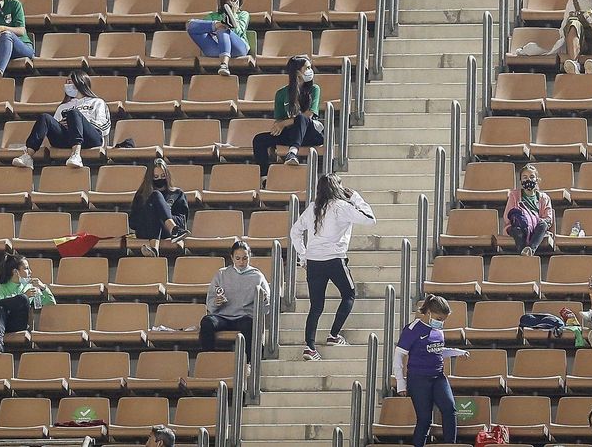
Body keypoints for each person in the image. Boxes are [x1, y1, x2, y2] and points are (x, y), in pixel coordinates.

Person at [290, 174, 375, 360]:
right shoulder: (341, 206)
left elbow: (295, 231)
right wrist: (356, 197)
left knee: (316, 306)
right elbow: (370, 219)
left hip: (314, 261)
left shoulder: (313, 207)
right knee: (349, 294)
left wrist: (303, 256)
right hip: (335, 259)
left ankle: (309, 347)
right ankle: (334, 335)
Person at [392, 294, 467, 447]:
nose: (441, 322)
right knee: (425, 419)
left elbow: (436, 351)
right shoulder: (412, 329)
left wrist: (456, 352)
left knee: (449, 409)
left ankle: (450, 445)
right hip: (418, 379)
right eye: (439, 319)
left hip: (438, 376)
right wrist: (400, 383)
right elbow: (399, 356)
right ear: (428, 312)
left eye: (443, 320)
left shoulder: (438, 330)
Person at [12, 70, 108, 171]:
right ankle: (28, 156)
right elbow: (55, 127)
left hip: (90, 139)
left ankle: (76, 154)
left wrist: (79, 122)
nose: (67, 85)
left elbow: (104, 126)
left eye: (70, 82)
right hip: (68, 139)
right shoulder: (63, 106)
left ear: (80, 82)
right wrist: (63, 124)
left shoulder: (97, 102)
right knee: (45, 117)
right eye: (66, 82)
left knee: (73, 113)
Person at [0, 248, 56, 354]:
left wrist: (43, 287)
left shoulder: (31, 287)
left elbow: (51, 304)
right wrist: (23, 296)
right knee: (2, 307)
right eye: (26, 269)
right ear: (15, 272)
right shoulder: (1, 287)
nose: (30, 272)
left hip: (17, 324)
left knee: (23, 298)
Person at [252, 56, 324, 177]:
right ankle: (265, 177)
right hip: (291, 134)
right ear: (297, 72)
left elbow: (309, 115)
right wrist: (278, 126)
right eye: (307, 68)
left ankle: (292, 153)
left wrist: (284, 123)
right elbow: (279, 120)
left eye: (310, 67)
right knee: (259, 140)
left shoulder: (314, 89)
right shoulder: (281, 93)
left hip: (311, 134)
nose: (310, 71)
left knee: (301, 118)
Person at [200, 240, 271, 350]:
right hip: (222, 317)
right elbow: (210, 303)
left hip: (244, 317)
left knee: (249, 324)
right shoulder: (221, 274)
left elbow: (267, 307)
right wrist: (216, 302)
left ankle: (250, 359)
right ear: (232, 258)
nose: (241, 262)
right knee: (207, 322)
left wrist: (264, 300)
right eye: (238, 258)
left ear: (249, 257)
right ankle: (208, 356)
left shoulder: (258, 276)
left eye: (245, 258)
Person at [186, 0, 252, 75]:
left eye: (234, 0)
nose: (230, 2)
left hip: (238, 48)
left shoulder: (243, 14)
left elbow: (239, 32)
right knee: (191, 25)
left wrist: (234, 15)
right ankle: (220, 24)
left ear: (239, 1)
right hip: (216, 47)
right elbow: (199, 29)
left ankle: (224, 65)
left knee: (222, 30)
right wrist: (218, 25)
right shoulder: (212, 16)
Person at [130, 157, 190, 252]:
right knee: (155, 195)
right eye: (156, 177)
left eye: (163, 176)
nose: (160, 179)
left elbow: (182, 221)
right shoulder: (141, 195)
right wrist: (150, 213)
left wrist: (163, 214)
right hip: (145, 231)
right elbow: (133, 223)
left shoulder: (177, 194)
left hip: (166, 232)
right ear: (150, 178)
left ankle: (154, 249)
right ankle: (174, 230)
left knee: (156, 198)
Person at [502, 163, 555, 256]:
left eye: (531, 177)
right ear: (520, 180)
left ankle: (530, 249)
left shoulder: (545, 198)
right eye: (525, 177)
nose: (528, 180)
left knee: (543, 225)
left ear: (537, 179)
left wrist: (536, 221)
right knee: (517, 230)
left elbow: (548, 218)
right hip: (518, 226)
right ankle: (524, 252)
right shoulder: (514, 195)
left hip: (536, 226)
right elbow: (507, 217)